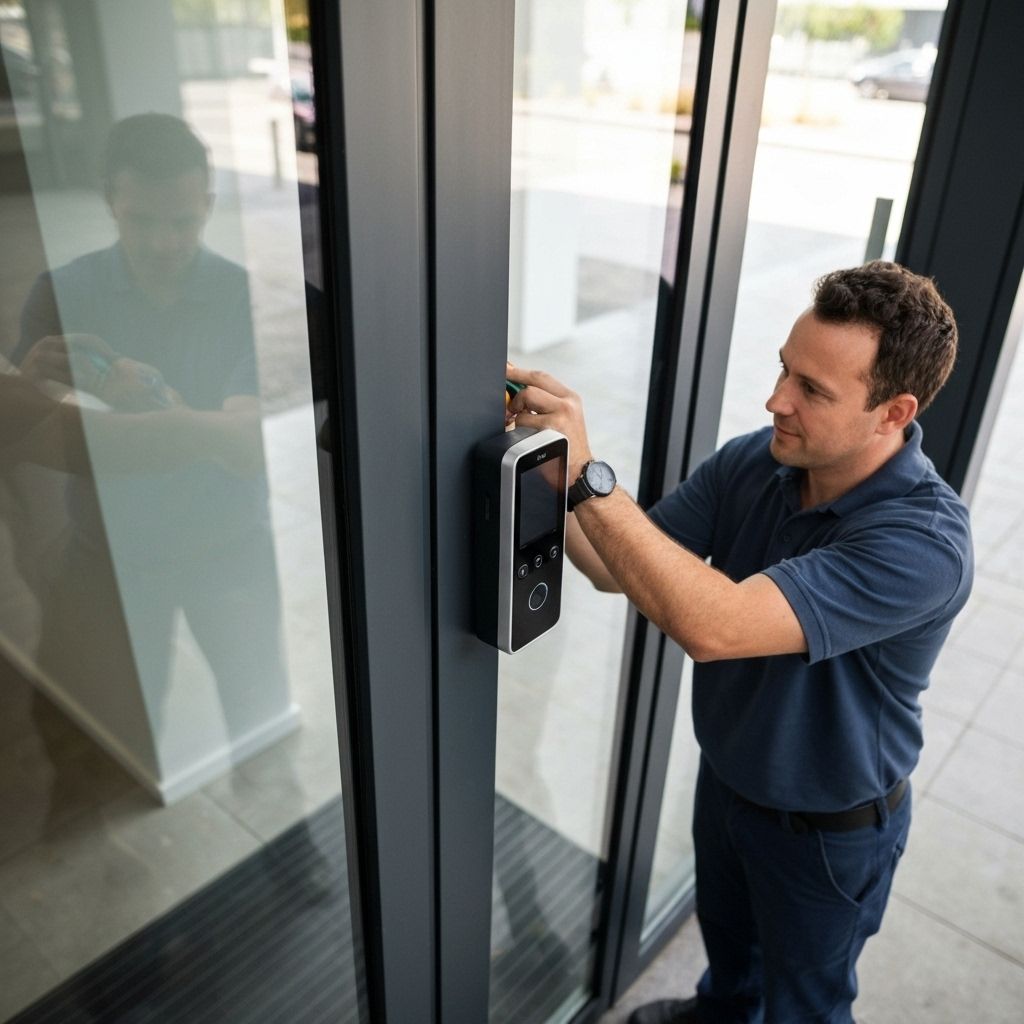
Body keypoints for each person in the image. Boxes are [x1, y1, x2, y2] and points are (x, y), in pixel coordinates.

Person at [506, 261, 973, 1024]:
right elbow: (618, 567)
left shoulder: (923, 542)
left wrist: (591, 476)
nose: (776, 400)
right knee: (730, 967)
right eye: (785, 369)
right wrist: (546, 469)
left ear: (894, 411)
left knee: (806, 1010)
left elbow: (713, 626)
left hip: (826, 836)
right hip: (730, 787)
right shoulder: (761, 460)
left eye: (813, 391)